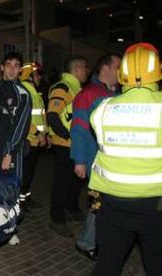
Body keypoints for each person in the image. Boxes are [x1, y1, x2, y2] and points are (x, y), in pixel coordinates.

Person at [89, 42, 162, 276]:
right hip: (157, 203)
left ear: (122, 75)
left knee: (108, 263)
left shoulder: (103, 109)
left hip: (113, 201)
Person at [70, 53, 121, 259]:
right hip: (95, 161)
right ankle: (87, 242)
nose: (122, 71)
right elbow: (79, 130)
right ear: (106, 68)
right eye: (118, 66)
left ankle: (96, 240)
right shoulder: (88, 95)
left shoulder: (116, 94)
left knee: (105, 204)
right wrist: (80, 160)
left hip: (113, 162)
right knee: (99, 204)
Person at [0, 52, 32, 245]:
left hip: (10, 152)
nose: (12, 69)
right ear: (2, 67)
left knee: (9, 190)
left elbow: (21, 126)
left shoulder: (23, 94)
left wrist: (9, 152)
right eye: (8, 65)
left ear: (20, 69)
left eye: (16, 65)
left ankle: (10, 230)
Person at [47, 55, 88, 237]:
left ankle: (71, 208)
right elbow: (53, 116)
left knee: (74, 181)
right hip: (64, 144)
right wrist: (68, 135)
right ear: (77, 69)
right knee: (62, 182)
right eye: (84, 68)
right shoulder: (62, 87)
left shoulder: (75, 88)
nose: (87, 71)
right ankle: (56, 219)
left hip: (73, 143)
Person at [18, 62, 47, 211]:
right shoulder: (26, 91)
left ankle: (26, 199)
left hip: (35, 140)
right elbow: (25, 119)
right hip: (30, 140)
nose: (39, 77)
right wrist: (39, 134)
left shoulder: (33, 91)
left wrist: (45, 134)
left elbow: (39, 117)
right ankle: (21, 203)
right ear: (29, 76)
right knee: (25, 174)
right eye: (36, 74)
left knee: (29, 174)